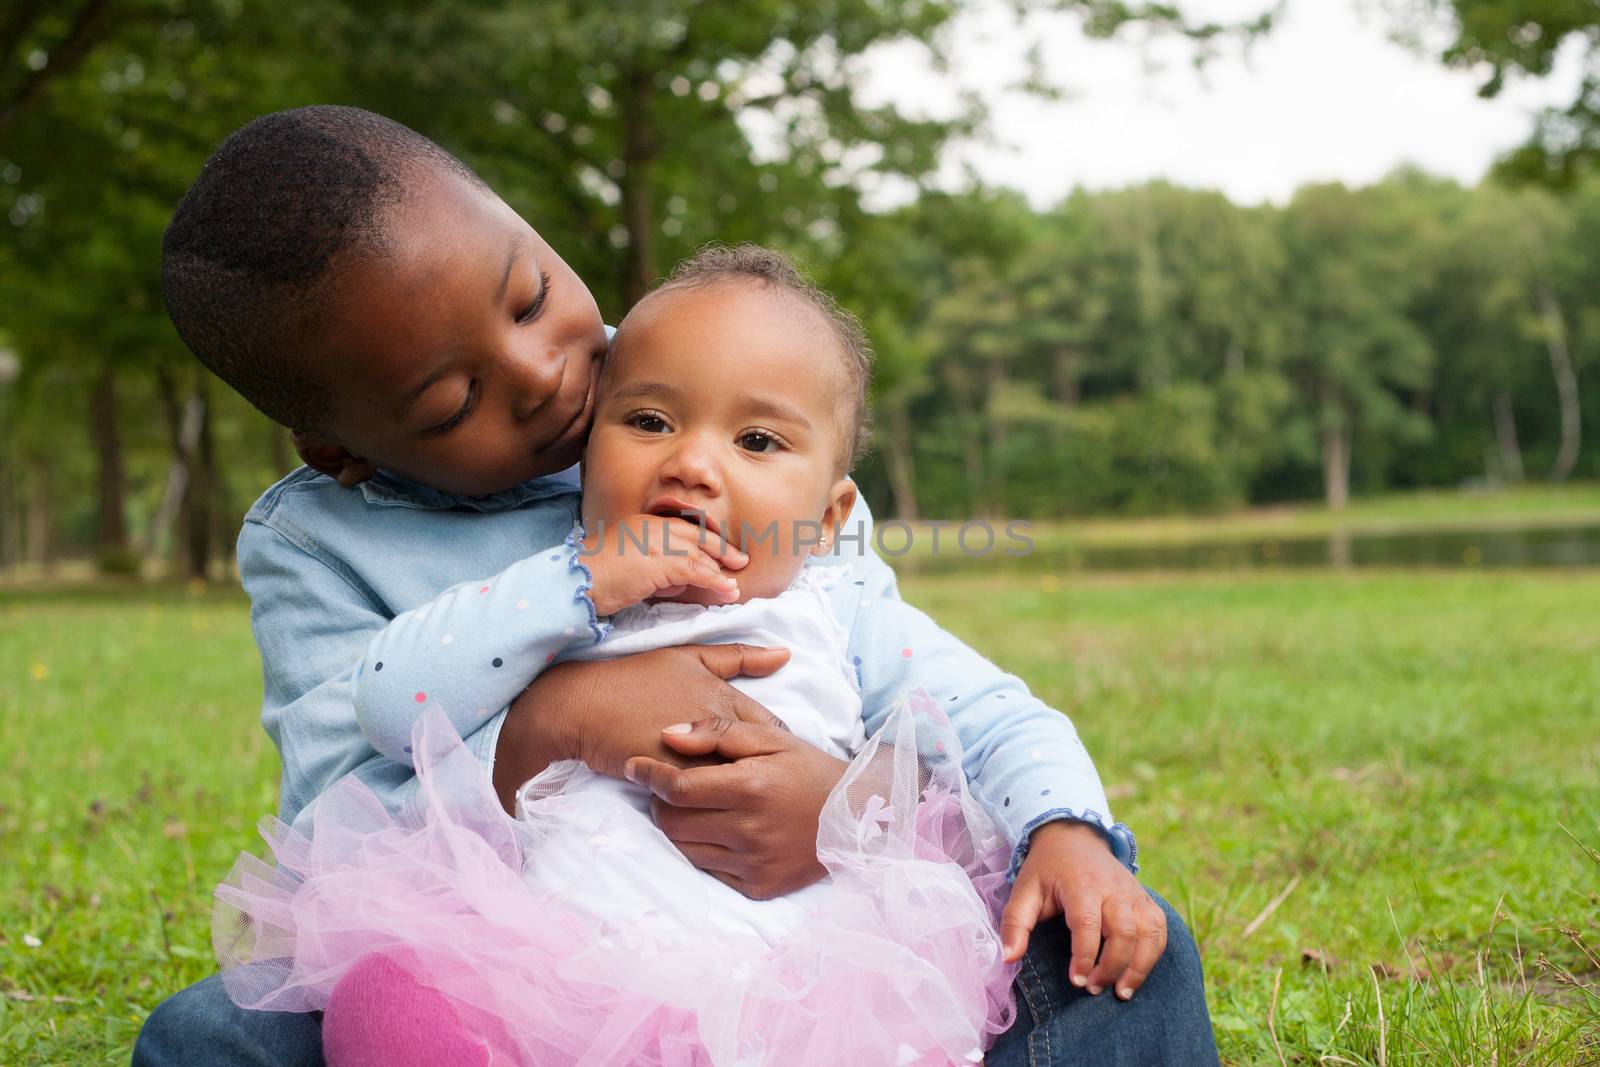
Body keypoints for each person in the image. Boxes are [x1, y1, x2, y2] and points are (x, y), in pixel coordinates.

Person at [136, 105, 1219, 1066]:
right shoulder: (321, 543)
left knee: (1114, 948)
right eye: (453, 396)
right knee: (212, 1036)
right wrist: (557, 721)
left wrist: (850, 812)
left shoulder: (707, 375)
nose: (546, 374)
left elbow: (935, 701)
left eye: (530, 296)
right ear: (342, 450)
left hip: (802, 936)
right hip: (521, 955)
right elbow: (340, 830)